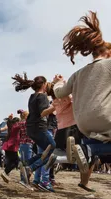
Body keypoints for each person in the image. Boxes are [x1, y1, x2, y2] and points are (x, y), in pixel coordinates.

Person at [51, 11, 111, 174]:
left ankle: (87, 151)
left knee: (100, 147)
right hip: (105, 118)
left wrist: (58, 82)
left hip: (84, 124)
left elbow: (59, 93)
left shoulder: (78, 74)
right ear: (107, 53)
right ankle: (87, 151)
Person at [12, 73, 56, 192]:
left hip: (31, 128)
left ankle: (27, 163)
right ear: (44, 84)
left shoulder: (32, 96)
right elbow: (42, 113)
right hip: (39, 127)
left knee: (44, 151)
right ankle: (30, 168)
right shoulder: (42, 97)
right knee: (52, 148)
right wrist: (54, 107)